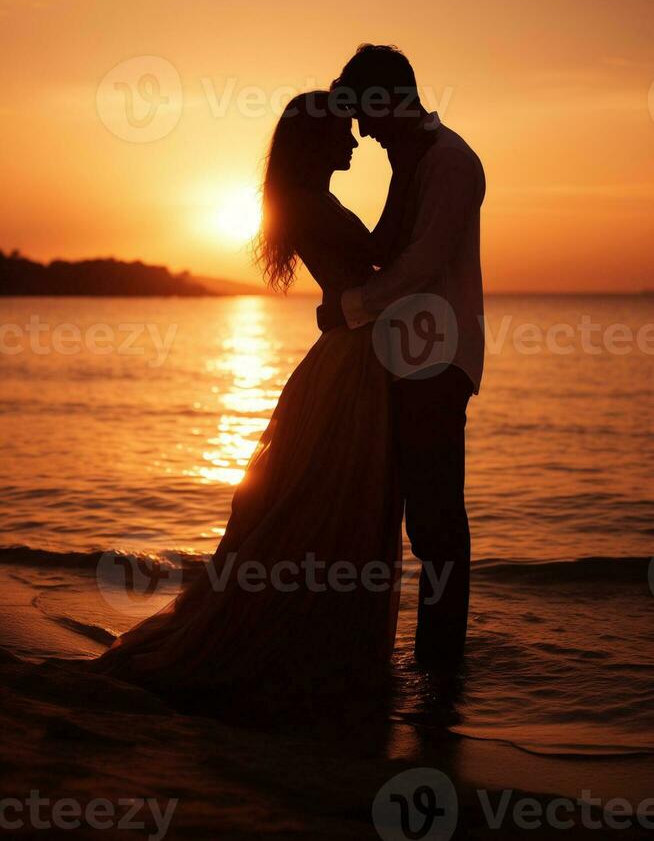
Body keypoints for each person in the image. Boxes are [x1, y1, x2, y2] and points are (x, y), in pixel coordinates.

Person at [91, 91, 413, 705]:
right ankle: (311, 647)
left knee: (327, 499)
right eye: (343, 133)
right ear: (315, 140)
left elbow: (360, 276)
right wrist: (404, 169)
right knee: (328, 498)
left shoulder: (310, 201)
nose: (352, 143)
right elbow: (379, 259)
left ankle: (322, 641)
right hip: (353, 360)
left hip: (352, 351)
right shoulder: (309, 204)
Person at [320, 44, 486, 669]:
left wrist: (349, 305)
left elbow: (423, 264)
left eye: (365, 112)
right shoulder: (412, 160)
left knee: (437, 521)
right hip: (408, 355)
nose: (359, 130)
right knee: (415, 517)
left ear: (392, 100)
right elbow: (392, 250)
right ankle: (423, 660)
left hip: (438, 359)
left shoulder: (450, 163)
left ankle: (440, 667)